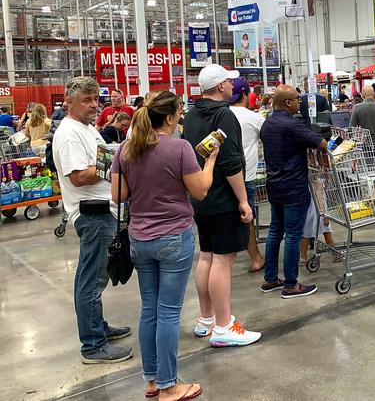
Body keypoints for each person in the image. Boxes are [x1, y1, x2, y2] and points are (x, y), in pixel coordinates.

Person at [111, 90, 215, 401]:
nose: (181, 117)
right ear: (169, 118)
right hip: (173, 238)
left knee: (149, 310)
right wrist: (210, 162)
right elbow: (200, 191)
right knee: (168, 312)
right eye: (179, 112)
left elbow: (118, 196)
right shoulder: (180, 148)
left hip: (139, 239)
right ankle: (170, 387)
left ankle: (152, 381)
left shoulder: (125, 149)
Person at [52, 76, 132, 364]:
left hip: (103, 210)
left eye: (96, 99)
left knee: (95, 275)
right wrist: (114, 164)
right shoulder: (69, 133)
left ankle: (98, 327)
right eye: (86, 100)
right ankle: (93, 345)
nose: (94, 104)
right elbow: (78, 176)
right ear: (69, 103)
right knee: (92, 279)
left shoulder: (87, 129)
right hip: (92, 213)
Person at [183, 64, 261, 347]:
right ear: (220, 86)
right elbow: (230, 162)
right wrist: (243, 200)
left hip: (200, 196)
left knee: (206, 256)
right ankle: (224, 326)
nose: (231, 85)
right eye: (229, 81)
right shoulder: (224, 115)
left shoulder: (191, 114)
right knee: (223, 260)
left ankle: (207, 319)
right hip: (223, 197)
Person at [260, 84, 327, 298]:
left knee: (275, 231)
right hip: (294, 187)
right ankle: (291, 284)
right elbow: (321, 143)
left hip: (274, 185)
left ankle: (270, 279)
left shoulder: (267, 123)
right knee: (293, 235)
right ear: (288, 103)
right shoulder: (293, 124)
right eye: (298, 99)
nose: (301, 102)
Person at [228, 77, 266, 273]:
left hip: (225, 174)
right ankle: (256, 258)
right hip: (246, 175)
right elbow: (268, 139)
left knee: (228, 217)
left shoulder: (222, 115)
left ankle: (226, 259)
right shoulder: (254, 117)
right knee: (248, 217)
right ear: (245, 95)